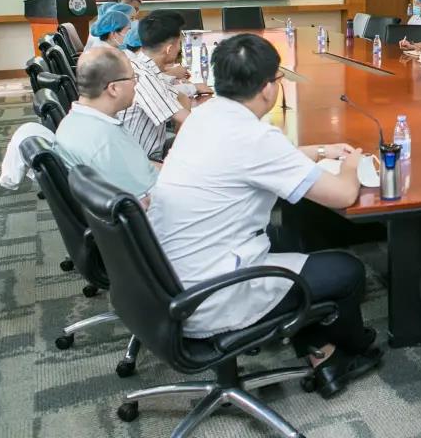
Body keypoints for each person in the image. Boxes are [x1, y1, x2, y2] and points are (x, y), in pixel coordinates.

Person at [147, 34, 381, 398]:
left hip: (167, 278)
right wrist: (351, 165)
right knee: (347, 270)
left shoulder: (205, 115)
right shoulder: (254, 138)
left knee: (288, 239)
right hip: (209, 294)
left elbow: (262, 159)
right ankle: (341, 356)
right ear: (268, 87)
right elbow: (343, 194)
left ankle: (315, 343)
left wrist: (321, 151)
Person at [54, 47, 159, 201]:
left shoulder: (72, 122)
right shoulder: (106, 142)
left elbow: (140, 167)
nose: (136, 83)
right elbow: (146, 202)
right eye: (132, 77)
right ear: (114, 88)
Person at [120, 10, 196, 158]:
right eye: (179, 43)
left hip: (142, 152)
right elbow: (187, 120)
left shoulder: (141, 65)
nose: (179, 48)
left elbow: (180, 97)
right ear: (169, 49)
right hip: (141, 161)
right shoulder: (145, 77)